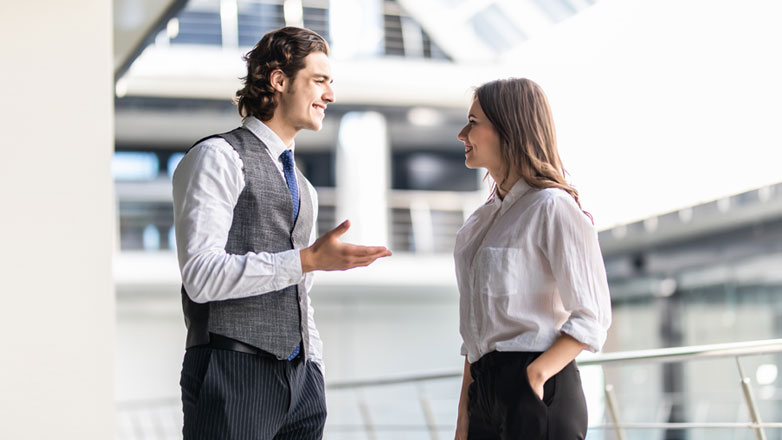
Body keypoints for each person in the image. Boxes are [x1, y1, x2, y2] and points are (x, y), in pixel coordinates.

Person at [172, 27, 391, 440]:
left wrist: (314, 371)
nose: (330, 95)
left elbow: (299, 294)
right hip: (231, 372)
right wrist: (306, 260)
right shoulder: (217, 157)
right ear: (279, 80)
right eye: (320, 81)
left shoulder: (304, 187)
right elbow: (200, 276)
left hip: (301, 384)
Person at [452, 78, 612, 439]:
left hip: (538, 383)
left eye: (473, 123)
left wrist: (534, 377)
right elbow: (475, 336)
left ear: (509, 128)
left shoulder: (553, 207)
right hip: (484, 388)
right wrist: (463, 422)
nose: (462, 134)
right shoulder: (476, 225)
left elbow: (593, 315)